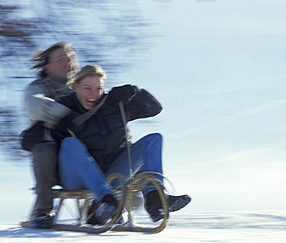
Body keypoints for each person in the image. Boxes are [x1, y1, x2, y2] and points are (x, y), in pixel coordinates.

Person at [53, 64, 191, 224]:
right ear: (76, 86)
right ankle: (106, 201)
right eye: (87, 88)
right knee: (70, 143)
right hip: (76, 177)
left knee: (154, 139)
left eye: (98, 89)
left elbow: (154, 109)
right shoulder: (62, 106)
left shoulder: (113, 105)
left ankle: (155, 200)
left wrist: (133, 92)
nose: (93, 94)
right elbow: (40, 125)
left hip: (111, 175)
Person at [23, 42, 79, 228]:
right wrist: (69, 115)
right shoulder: (38, 87)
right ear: (47, 67)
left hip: (84, 154)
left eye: (70, 58)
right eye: (61, 59)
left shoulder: (84, 88)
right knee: (41, 149)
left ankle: (103, 206)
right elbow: (35, 105)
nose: (67, 62)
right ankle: (43, 210)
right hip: (54, 160)